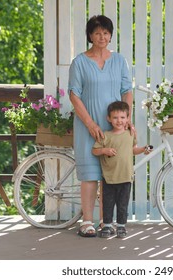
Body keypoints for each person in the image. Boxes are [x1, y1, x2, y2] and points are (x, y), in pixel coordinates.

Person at [68, 15, 134, 237]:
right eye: (97, 33)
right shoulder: (79, 62)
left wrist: (126, 120)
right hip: (88, 125)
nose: (102, 37)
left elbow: (127, 90)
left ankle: (106, 222)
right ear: (90, 36)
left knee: (110, 176)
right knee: (90, 174)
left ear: (110, 35)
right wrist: (89, 123)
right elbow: (74, 94)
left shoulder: (119, 61)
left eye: (106, 33)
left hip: (114, 127)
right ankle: (87, 221)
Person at [92, 101, 152, 238]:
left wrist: (143, 149)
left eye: (122, 117)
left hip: (126, 176)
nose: (119, 121)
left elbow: (133, 150)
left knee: (122, 204)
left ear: (127, 118)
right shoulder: (106, 135)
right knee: (107, 203)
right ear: (109, 118)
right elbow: (94, 150)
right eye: (115, 117)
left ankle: (121, 227)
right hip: (109, 177)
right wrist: (104, 150)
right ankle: (107, 226)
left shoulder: (130, 134)